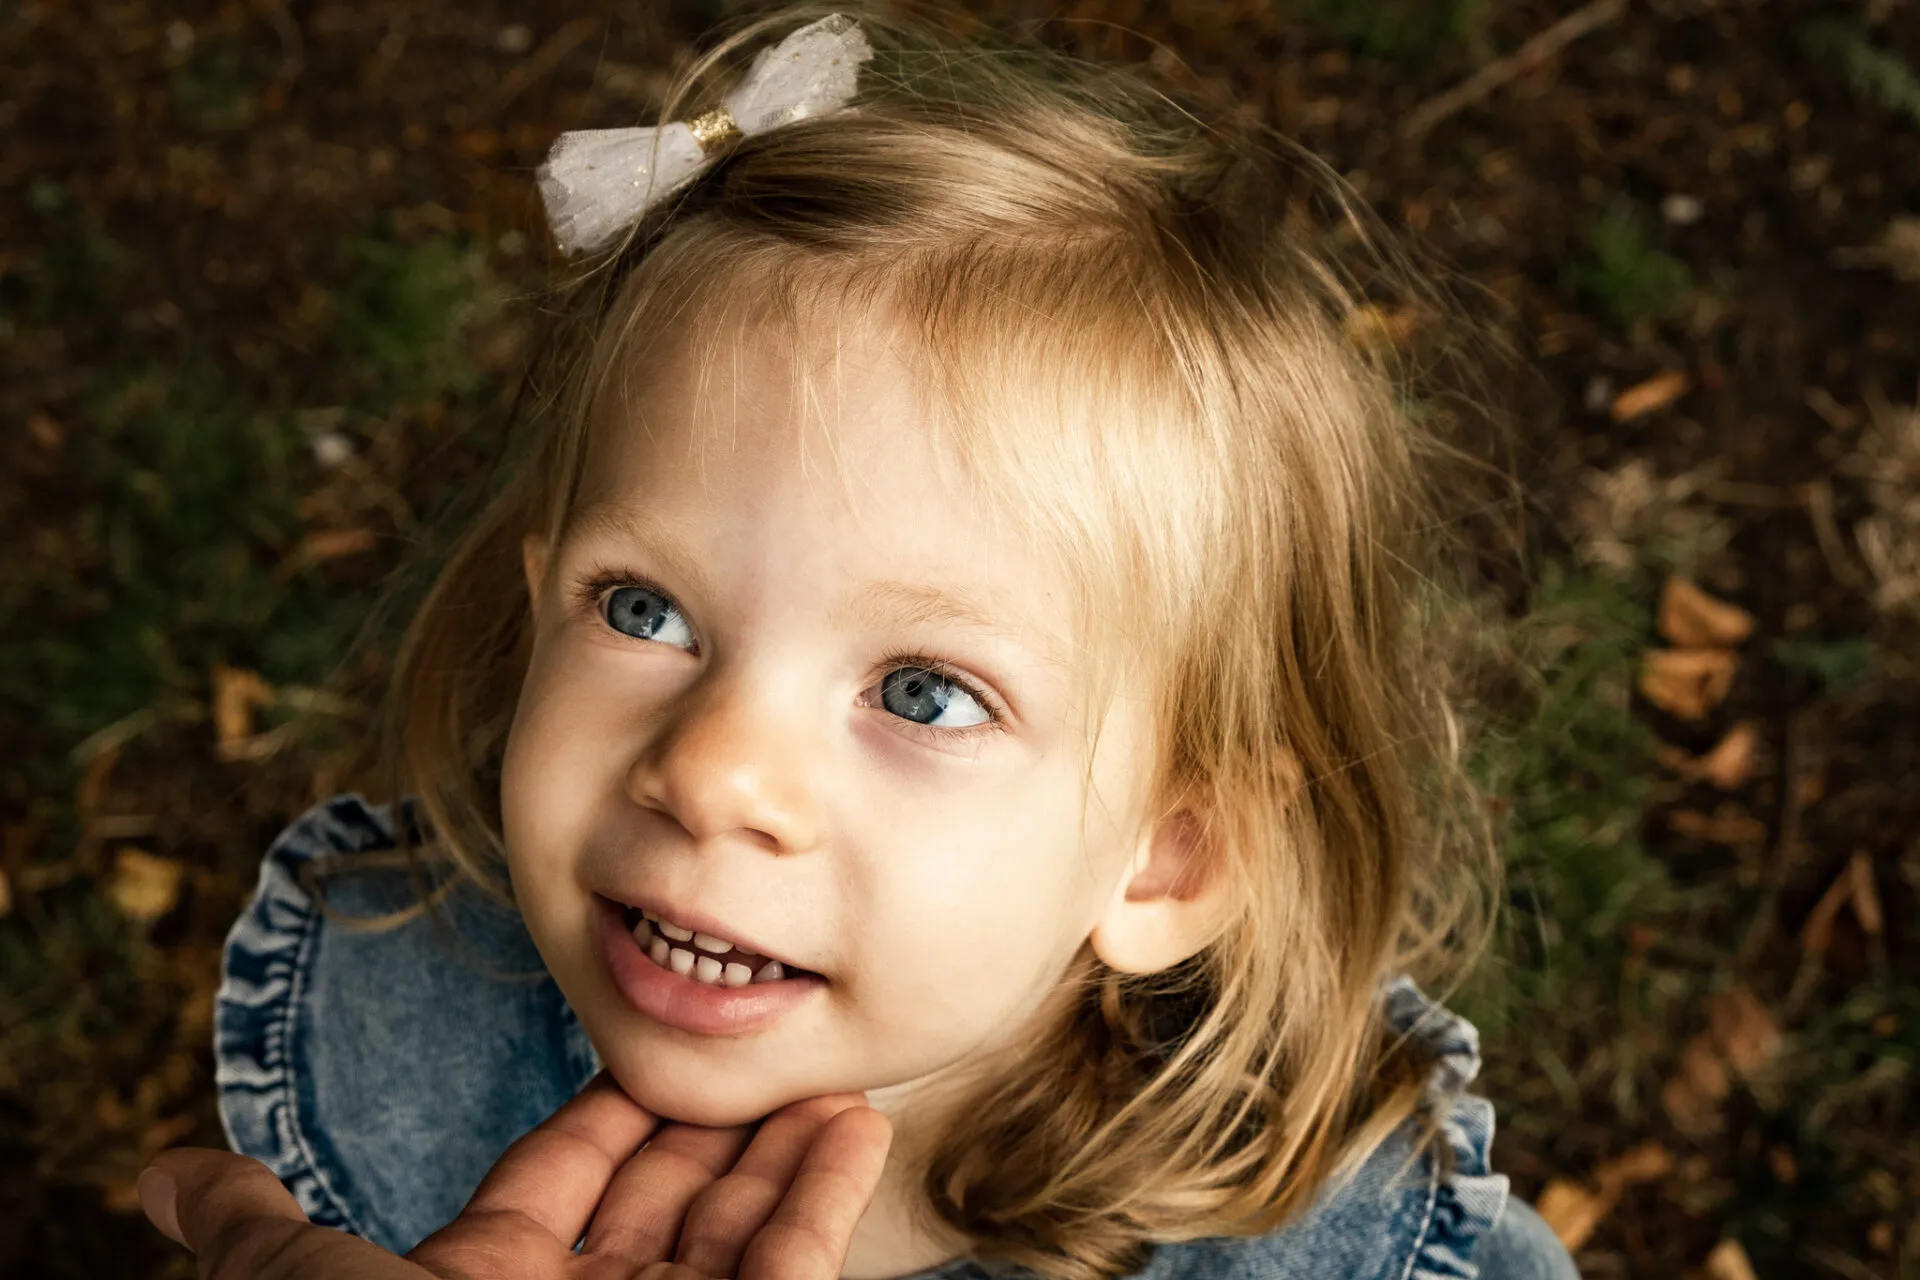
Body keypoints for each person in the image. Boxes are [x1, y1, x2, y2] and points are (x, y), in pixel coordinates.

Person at [145, 5, 1580, 1278]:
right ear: (539, 606)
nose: (711, 773)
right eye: (645, 610)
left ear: (1170, 853)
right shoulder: (400, 1025)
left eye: (921, 692)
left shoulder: (1342, 1248)